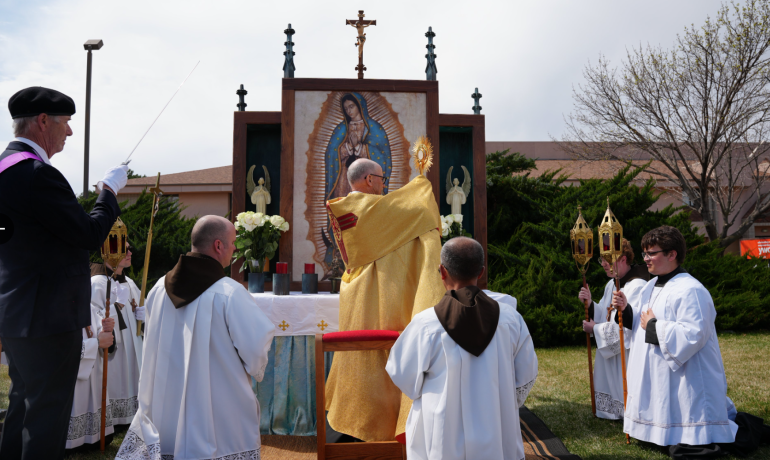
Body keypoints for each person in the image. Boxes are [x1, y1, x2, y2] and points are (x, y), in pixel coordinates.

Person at [0, 86, 128, 460]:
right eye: (66, 123)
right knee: (46, 421)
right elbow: (87, 233)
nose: (69, 132)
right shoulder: (38, 174)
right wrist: (108, 192)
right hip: (49, 320)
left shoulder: (5, 168)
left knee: (23, 408)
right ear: (43, 122)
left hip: (17, 314)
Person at [116, 216, 275, 460]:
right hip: (217, 412)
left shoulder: (159, 288)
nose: (235, 249)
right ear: (218, 246)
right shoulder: (229, 293)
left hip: (165, 408)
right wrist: (255, 367)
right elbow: (255, 351)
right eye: (233, 242)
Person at [613, 226, 769, 458]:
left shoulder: (691, 289)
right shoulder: (649, 286)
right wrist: (626, 311)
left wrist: (655, 326)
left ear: (672, 254)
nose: (645, 259)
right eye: (644, 253)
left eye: (651, 253)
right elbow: (640, 323)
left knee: (692, 436)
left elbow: (693, 334)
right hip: (660, 374)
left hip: (688, 376)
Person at [324, 158, 445, 442]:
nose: (384, 184)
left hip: (359, 300)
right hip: (386, 299)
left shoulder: (345, 210)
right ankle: (387, 429)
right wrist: (422, 185)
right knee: (384, 361)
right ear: (368, 180)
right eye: (381, 178)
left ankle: (357, 429)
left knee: (360, 363)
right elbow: (420, 211)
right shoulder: (374, 209)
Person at [386, 237, 538, 460]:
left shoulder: (426, 324)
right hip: (497, 430)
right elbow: (526, 374)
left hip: (443, 435)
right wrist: (499, 399)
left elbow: (403, 374)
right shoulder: (511, 320)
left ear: (442, 271)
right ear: (482, 271)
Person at [579, 239, 648, 420]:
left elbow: (628, 326)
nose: (603, 264)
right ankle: (611, 409)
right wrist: (590, 303)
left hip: (626, 352)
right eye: (601, 260)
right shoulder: (611, 284)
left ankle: (626, 412)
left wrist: (595, 329)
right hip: (610, 351)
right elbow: (605, 313)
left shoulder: (637, 285)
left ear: (623, 259)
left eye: (607, 260)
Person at [90, 241, 145, 427]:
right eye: (126, 249)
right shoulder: (97, 283)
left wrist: (143, 316)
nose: (131, 252)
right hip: (114, 349)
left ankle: (131, 415)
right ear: (111, 253)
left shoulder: (128, 282)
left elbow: (139, 312)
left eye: (130, 247)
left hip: (132, 344)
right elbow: (93, 318)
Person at [65, 296, 116, 450]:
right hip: (70, 380)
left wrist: (107, 331)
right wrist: (96, 343)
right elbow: (59, 351)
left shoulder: (90, 308)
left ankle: (94, 437)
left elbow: (106, 343)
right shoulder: (58, 307)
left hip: (95, 376)